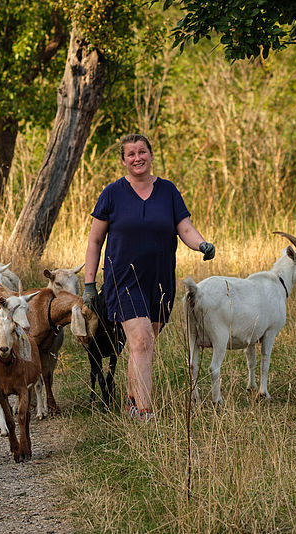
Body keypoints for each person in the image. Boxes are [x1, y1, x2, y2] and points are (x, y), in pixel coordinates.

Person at [82, 134, 214, 422]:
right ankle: (144, 411)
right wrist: (90, 284)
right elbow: (94, 242)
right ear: (123, 160)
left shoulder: (168, 191)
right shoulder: (112, 194)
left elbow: (185, 227)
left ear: (151, 155)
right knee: (141, 340)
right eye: (130, 154)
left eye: (142, 152)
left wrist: (202, 244)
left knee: (144, 341)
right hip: (123, 280)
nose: (137, 158)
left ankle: (130, 400)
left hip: (160, 281)